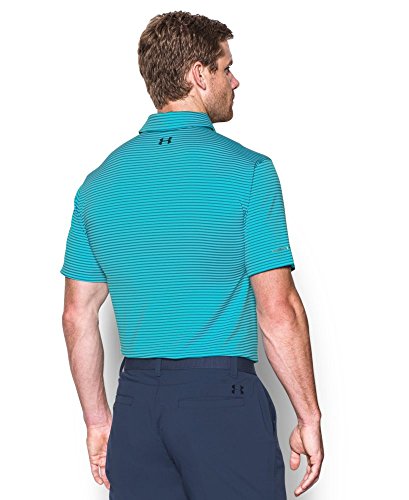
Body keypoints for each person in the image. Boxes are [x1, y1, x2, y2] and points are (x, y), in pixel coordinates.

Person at [60, 10, 323, 500]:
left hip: (136, 404)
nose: (234, 80)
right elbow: (278, 310)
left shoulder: (98, 184)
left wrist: (98, 421)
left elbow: (78, 315)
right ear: (199, 75)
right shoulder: (249, 172)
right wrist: (308, 415)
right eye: (226, 67)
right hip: (220, 401)